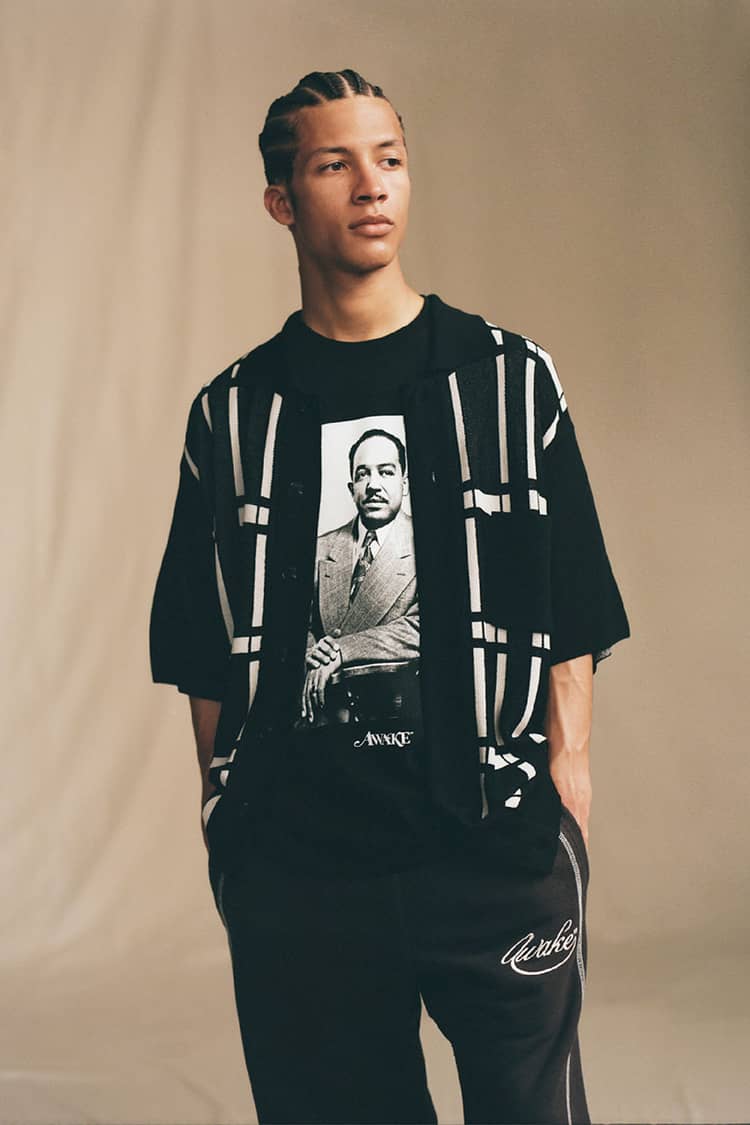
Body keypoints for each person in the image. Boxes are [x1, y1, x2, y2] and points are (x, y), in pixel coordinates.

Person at [149, 67, 631, 1125]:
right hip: (303, 873)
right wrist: (228, 812)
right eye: (335, 164)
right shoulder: (235, 414)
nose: (372, 185)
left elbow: (571, 597)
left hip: (494, 846)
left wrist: (567, 781)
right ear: (282, 200)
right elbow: (202, 642)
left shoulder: (509, 381)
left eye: (391, 159)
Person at [302, 426, 420, 730]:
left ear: (405, 484)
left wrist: (342, 650)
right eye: (363, 474)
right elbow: (296, 621)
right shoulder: (321, 547)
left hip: (395, 725)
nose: (373, 485)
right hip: (323, 721)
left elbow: (422, 628)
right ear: (351, 487)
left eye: (386, 472)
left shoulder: (428, 547)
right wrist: (314, 654)